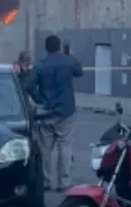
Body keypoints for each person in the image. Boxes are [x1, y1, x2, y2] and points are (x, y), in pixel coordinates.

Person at [25, 35, 83, 192]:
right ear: (59, 47)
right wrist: (69, 54)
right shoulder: (68, 61)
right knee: (65, 147)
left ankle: (46, 181)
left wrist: (40, 100)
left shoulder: (40, 65)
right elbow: (79, 71)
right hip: (66, 111)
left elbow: (28, 86)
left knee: (45, 148)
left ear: (46, 48)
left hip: (47, 112)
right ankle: (64, 182)